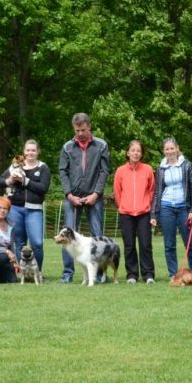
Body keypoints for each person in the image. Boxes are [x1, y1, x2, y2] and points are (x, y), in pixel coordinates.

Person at [58, 113, 111, 283]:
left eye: (83, 130)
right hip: (72, 198)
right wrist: (69, 194)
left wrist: (96, 193)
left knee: (98, 236)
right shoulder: (67, 147)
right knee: (67, 236)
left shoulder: (101, 145)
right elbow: (62, 172)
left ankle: (100, 275)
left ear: (89, 127)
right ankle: (67, 274)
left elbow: (104, 171)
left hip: (94, 197)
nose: (80, 133)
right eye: (77, 130)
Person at [150, 137, 192, 281]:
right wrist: (153, 213)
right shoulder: (161, 168)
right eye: (167, 149)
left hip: (183, 207)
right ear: (164, 151)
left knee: (190, 244)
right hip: (166, 207)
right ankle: (173, 275)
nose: (170, 151)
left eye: (172, 148)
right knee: (169, 244)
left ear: (177, 148)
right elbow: (157, 192)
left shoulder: (187, 165)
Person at [0, 139, 51, 271]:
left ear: (38, 152)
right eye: (28, 150)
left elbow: (43, 188)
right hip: (15, 209)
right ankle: (21, 272)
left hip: (34, 210)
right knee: (19, 243)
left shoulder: (43, 168)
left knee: (37, 243)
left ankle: (37, 273)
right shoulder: (15, 166)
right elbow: (0, 181)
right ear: (24, 152)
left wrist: (25, 181)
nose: (30, 153)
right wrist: (10, 180)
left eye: (33, 150)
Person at [114, 140, 156, 284]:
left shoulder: (148, 169)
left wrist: (147, 205)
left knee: (145, 245)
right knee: (129, 245)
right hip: (126, 213)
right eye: (133, 150)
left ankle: (148, 275)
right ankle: (132, 275)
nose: (136, 153)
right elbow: (117, 192)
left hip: (144, 213)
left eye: (138, 151)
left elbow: (152, 190)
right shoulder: (120, 171)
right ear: (128, 153)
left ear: (142, 153)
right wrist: (122, 206)